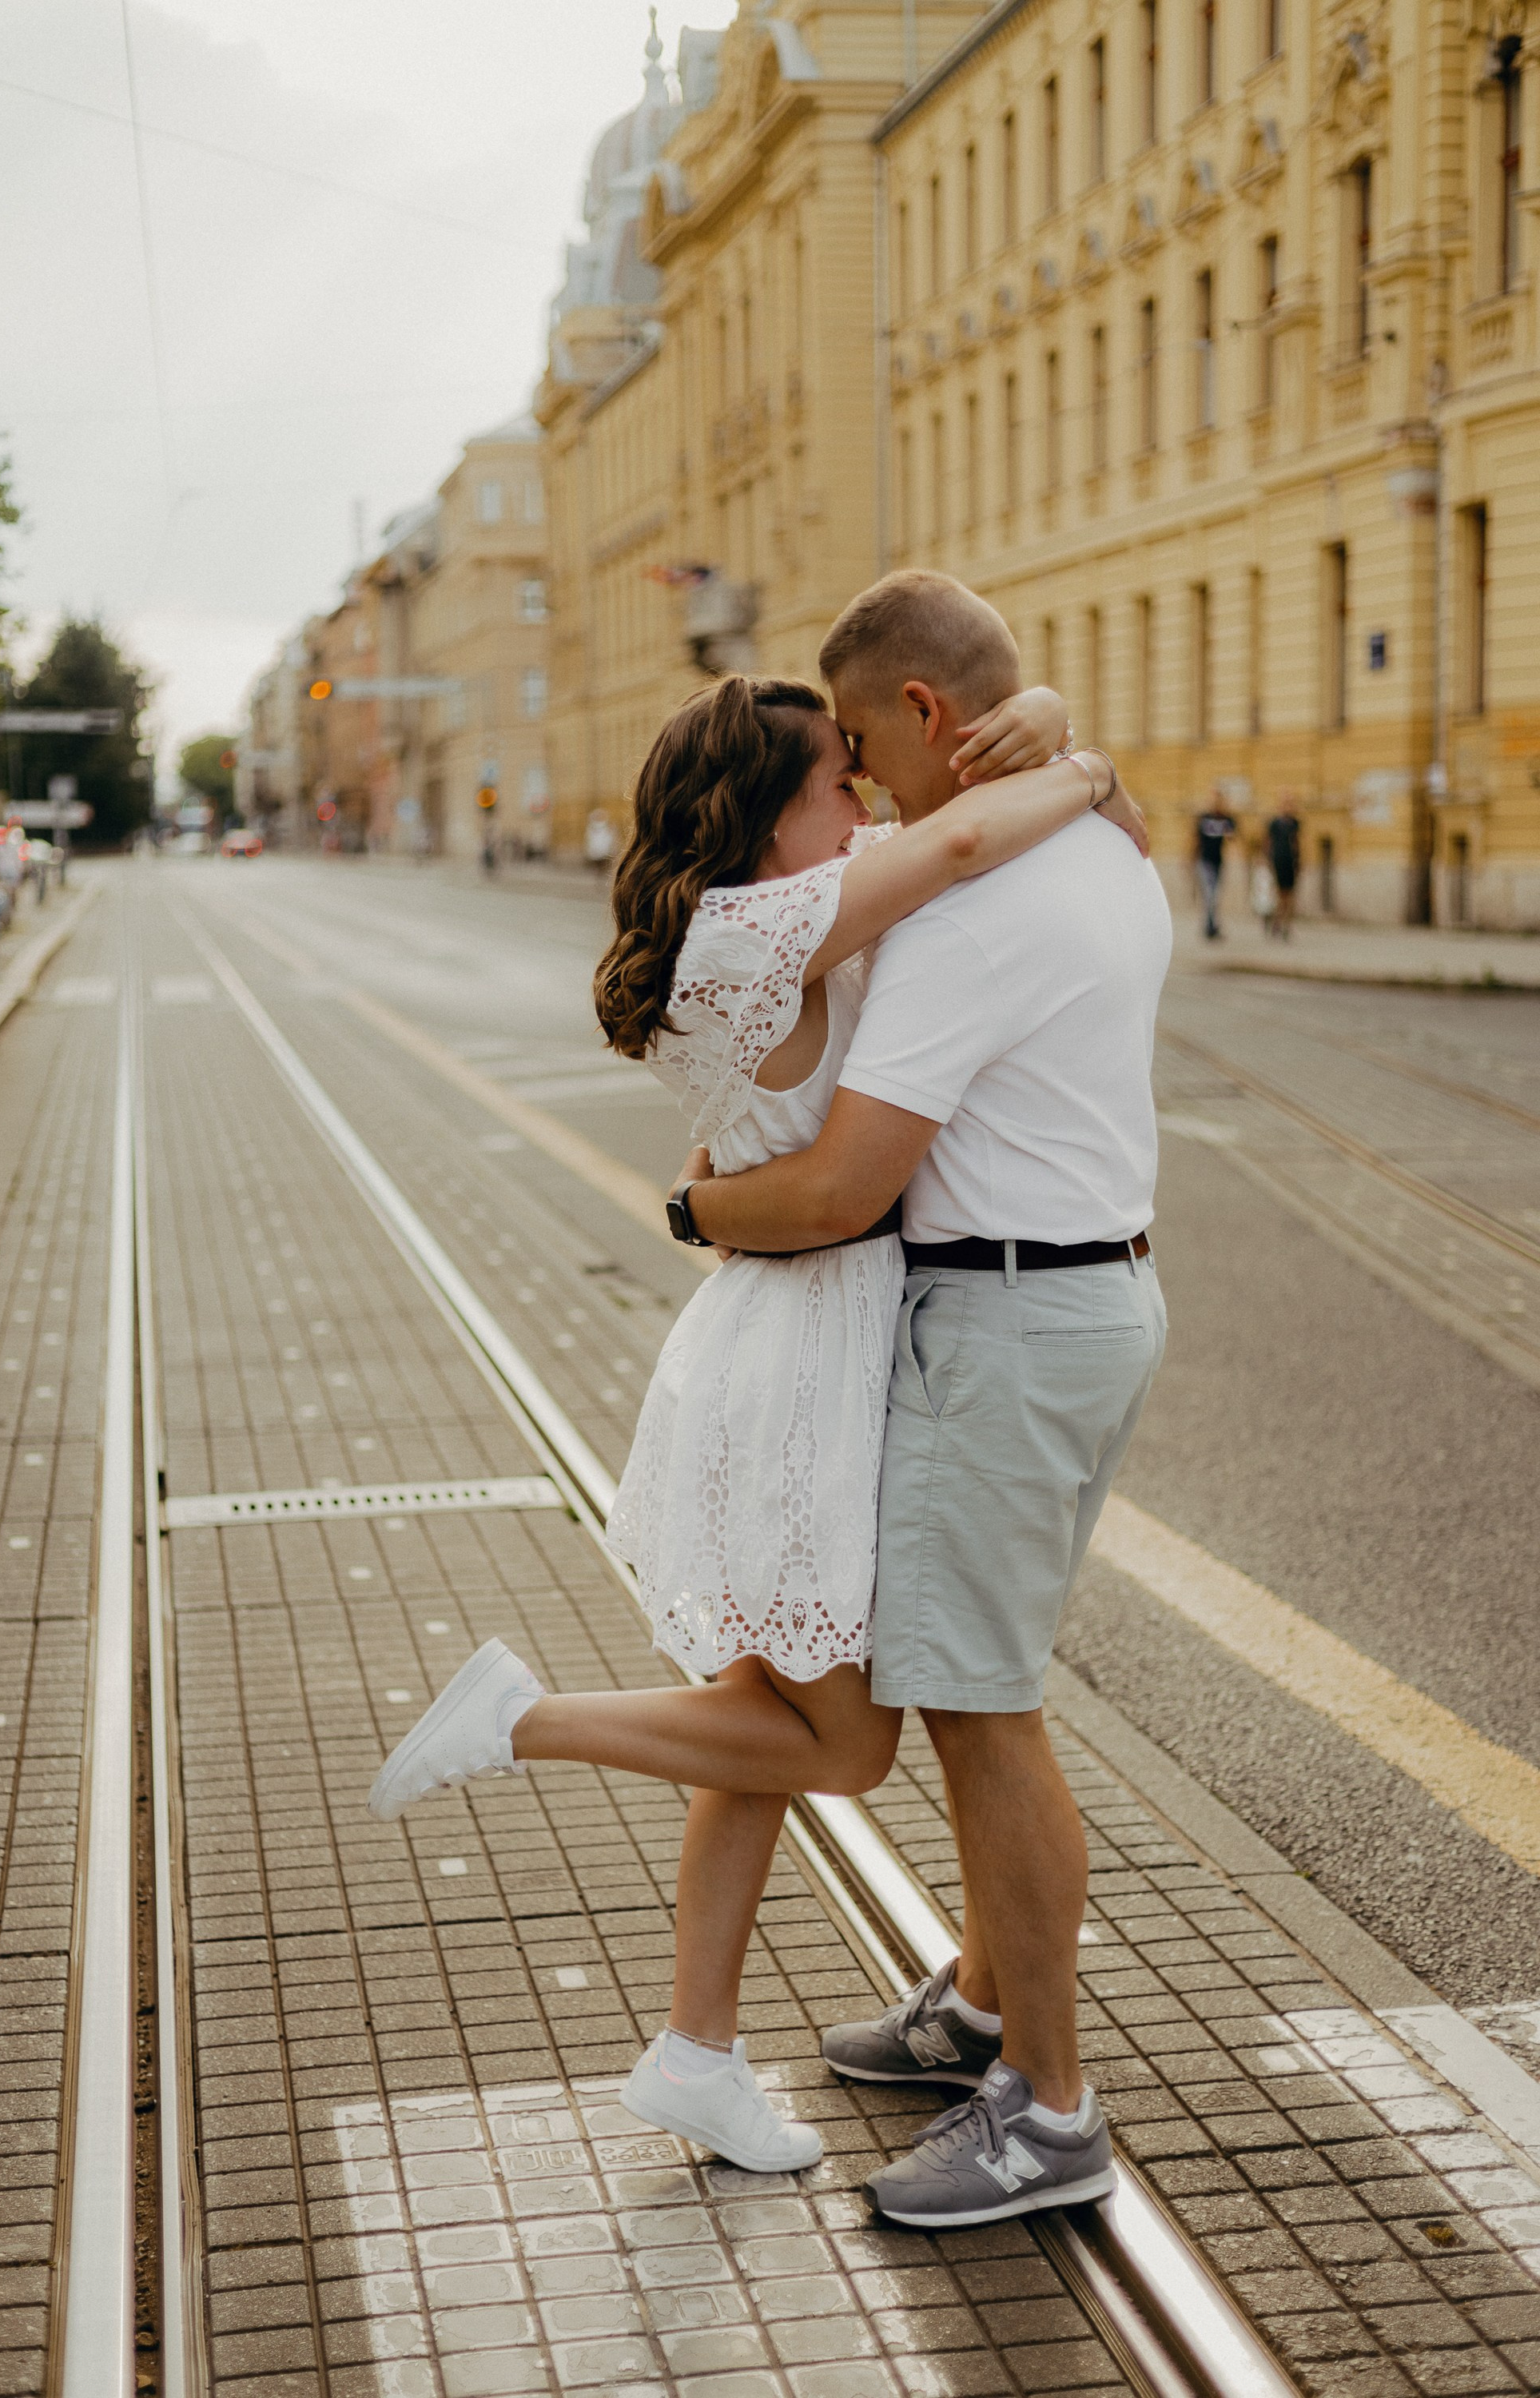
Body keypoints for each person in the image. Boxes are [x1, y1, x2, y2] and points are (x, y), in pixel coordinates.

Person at [368, 655, 1148, 2176]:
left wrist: (1050, 712)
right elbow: (969, 841)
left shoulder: (776, 901)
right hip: (812, 1352)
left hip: (805, 1336)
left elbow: (946, 831)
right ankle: (519, 1719)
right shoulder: (748, 930)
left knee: (760, 1720)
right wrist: (1084, 766)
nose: (860, 800)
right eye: (831, 783)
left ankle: (696, 2053)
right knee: (839, 1745)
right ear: (762, 816)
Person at [679, 570, 1171, 2230]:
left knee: (978, 1712)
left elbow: (838, 1193)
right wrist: (1087, 760)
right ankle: (976, 2005)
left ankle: (1047, 2110)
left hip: (1003, 1326)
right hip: (1092, 1298)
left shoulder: (963, 916)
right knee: (981, 1686)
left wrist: (691, 1213)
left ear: (927, 718)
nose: (869, 793)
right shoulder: (1104, 848)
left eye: (867, 752)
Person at [1194, 795, 1236, 938]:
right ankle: (1210, 926)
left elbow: (1233, 838)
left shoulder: (1227, 819)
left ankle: (1211, 924)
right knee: (1210, 894)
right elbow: (1195, 839)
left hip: (1218, 861)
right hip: (1204, 861)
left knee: (1215, 894)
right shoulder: (1204, 818)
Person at [1266, 801, 1301, 940]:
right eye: (1285, 804)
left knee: (1291, 895)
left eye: (1290, 804)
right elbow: (1268, 842)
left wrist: (1299, 861)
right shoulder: (1274, 824)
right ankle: (1277, 922)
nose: (1288, 807)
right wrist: (1267, 860)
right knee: (1281, 895)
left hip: (1291, 862)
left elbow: (1298, 842)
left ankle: (1286, 925)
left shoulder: (1295, 823)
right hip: (1279, 861)